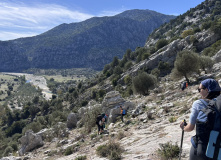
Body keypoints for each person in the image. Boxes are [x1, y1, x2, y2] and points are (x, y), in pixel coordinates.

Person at [180, 78, 221, 160]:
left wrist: (183, 128)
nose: (198, 92)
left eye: (199, 89)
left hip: (203, 147)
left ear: (206, 90)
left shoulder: (198, 104)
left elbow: (190, 128)